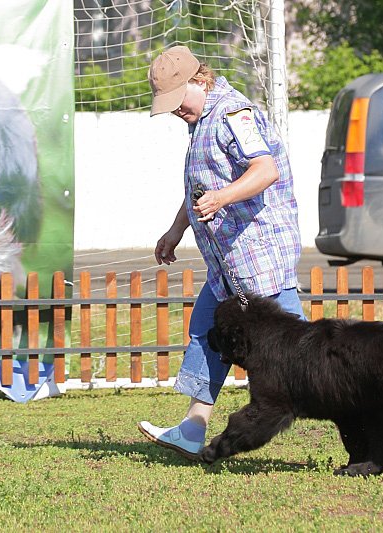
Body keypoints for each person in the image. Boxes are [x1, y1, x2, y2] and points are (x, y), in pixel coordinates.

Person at [137, 45, 304, 459]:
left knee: (305, 356)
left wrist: (222, 198)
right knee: (206, 328)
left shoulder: (234, 115)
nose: (176, 111)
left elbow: (266, 170)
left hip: (259, 259)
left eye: (178, 101)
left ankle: (357, 418)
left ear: (199, 80)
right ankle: (192, 428)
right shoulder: (201, 122)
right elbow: (200, 188)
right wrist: (176, 230)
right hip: (226, 262)